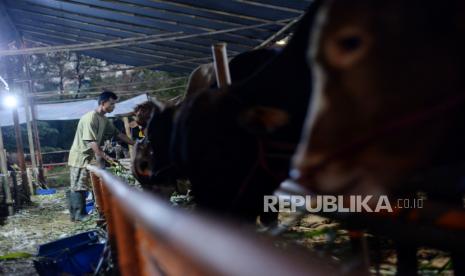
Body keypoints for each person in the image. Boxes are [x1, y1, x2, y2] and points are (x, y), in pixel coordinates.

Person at [67, 91, 135, 222]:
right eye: (112, 104)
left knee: (83, 184)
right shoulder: (90, 117)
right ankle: (78, 215)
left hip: (88, 156)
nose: (113, 107)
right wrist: (107, 157)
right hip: (79, 155)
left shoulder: (104, 119)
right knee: (78, 185)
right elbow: (91, 142)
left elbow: (118, 134)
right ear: (103, 103)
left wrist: (135, 144)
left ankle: (77, 214)